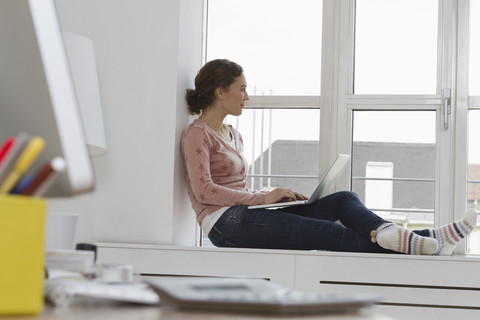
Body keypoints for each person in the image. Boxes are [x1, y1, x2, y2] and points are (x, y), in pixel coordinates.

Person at [181, 59, 477, 255]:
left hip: (247, 212)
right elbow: (203, 190)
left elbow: (237, 190)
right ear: (221, 92)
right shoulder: (197, 134)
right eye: (242, 89)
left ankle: (404, 235)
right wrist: (262, 198)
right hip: (224, 225)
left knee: (344, 199)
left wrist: (276, 197)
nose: (247, 96)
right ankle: (431, 240)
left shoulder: (233, 133)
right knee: (329, 233)